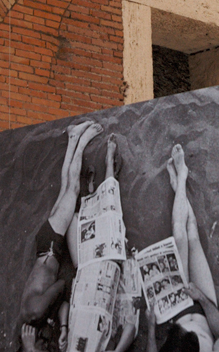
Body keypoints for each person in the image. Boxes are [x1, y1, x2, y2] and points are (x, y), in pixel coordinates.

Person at [19, 119, 103, 352]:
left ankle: (81, 140)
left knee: (73, 189)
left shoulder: (35, 312)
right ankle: (72, 137)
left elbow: (59, 286)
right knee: (66, 187)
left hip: (52, 246)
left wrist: (52, 312)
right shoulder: (28, 316)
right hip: (45, 245)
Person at [145, 144, 219, 352]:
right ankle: (179, 183)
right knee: (192, 235)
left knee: (179, 234)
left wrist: (149, 327)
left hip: (177, 307)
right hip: (204, 305)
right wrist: (200, 297)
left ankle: (180, 181)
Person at [63, 133, 139, 352]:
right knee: (110, 214)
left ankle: (91, 189)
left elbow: (68, 306)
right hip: (107, 269)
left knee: (75, 220)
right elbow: (130, 329)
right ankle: (108, 163)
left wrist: (64, 330)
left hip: (84, 271)